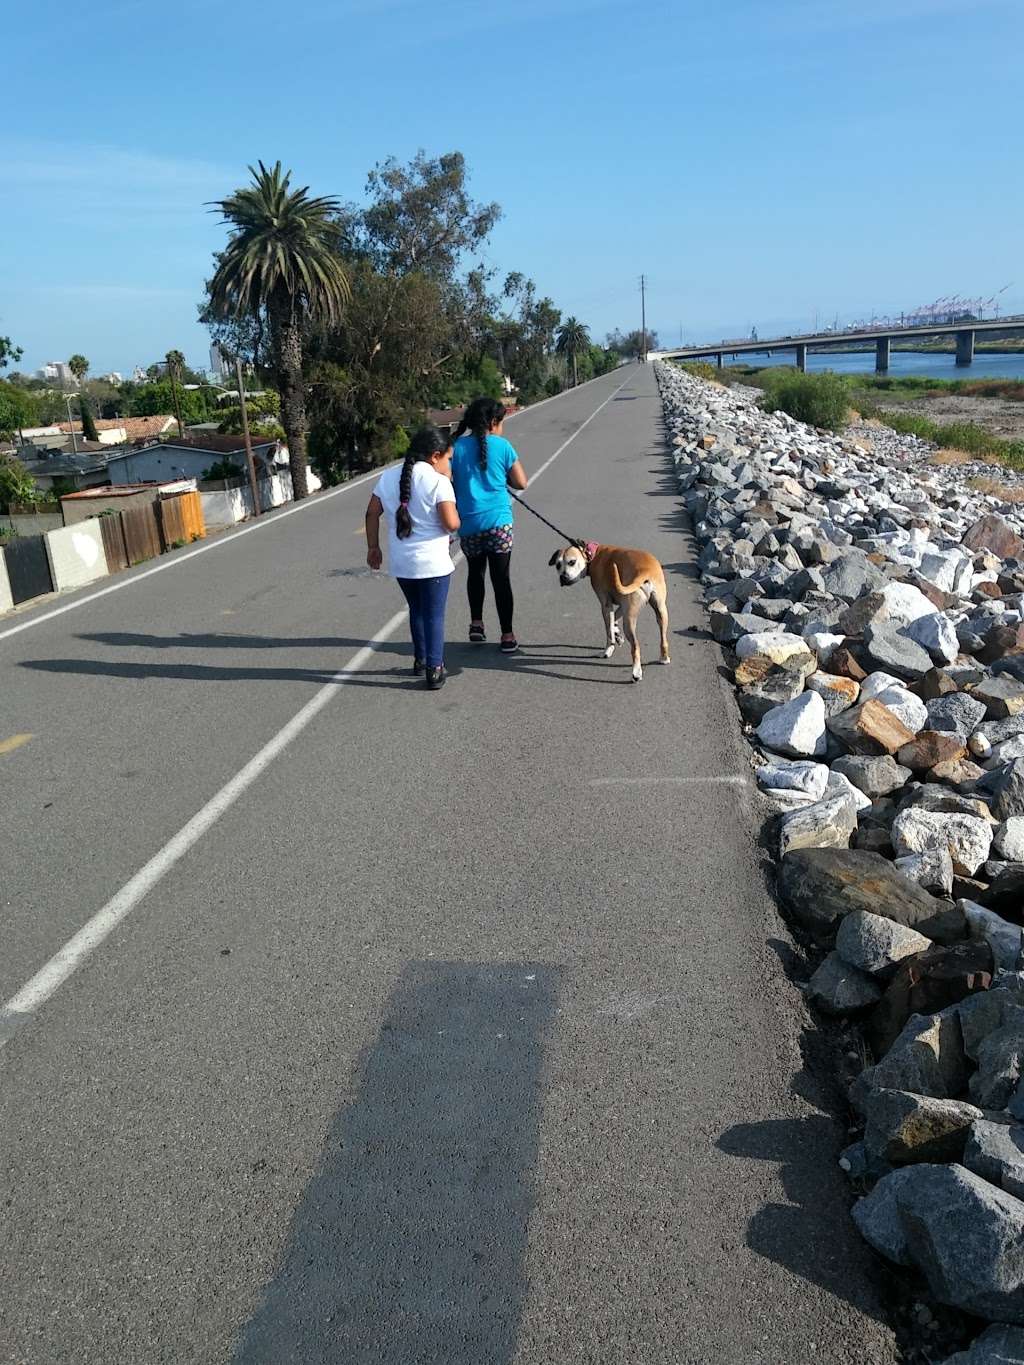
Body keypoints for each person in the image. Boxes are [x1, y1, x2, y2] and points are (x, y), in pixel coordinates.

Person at [365, 426, 459, 690]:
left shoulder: (389, 477)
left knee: (417, 610)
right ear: (435, 456)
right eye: (448, 459)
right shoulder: (439, 482)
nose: (449, 464)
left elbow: (372, 512)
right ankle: (435, 667)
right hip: (433, 564)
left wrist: (373, 547)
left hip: (402, 563)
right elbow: (451, 523)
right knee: (434, 615)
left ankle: (420, 660)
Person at [450, 396, 528, 654]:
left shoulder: (456, 448)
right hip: (498, 523)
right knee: (501, 578)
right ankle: (507, 635)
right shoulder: (503, 446)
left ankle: (476, 623)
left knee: (475, 572)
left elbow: (446, 479)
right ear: (494, 422)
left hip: (469, 522)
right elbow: (521, 483)